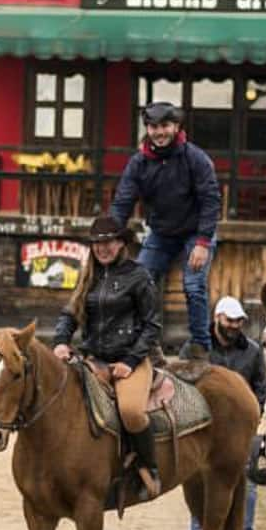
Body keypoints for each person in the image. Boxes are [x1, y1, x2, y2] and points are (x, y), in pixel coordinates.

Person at [53, 216, 163, 499]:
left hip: (130, 360)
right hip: (92, 359)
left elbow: (153, 325)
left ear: (120, 244)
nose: (102, 248)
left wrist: (130, 361)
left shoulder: (138, 276)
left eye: (108, 242)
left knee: (130, 412)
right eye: (97, 243)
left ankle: (148, 468)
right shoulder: (87, 274)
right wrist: (61, 342)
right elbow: (70, 313)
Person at [110, 101, 222, 354]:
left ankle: (200, 345)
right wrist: (110, 236)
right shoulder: (139, 163)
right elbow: (123, 202)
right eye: (153, 127)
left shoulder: (195, 158)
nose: (160, 133)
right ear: (147, 129)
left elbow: (211, 200)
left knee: (193, 286)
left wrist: (203, 242)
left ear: (176, 127)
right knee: (140, 281)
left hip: (196, 231)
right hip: (161, 232)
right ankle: (143, 340)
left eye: (165, 126)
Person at [191, 295, 266, 530]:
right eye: (230, 320)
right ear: (217, 319)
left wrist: (252, 414)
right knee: (199, 476)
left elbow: (262, 388)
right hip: (202, 424)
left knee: (245, 478)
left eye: (239, 321)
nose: (235, 325)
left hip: (239, 426)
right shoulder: (198, 348)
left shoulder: (254, 352)